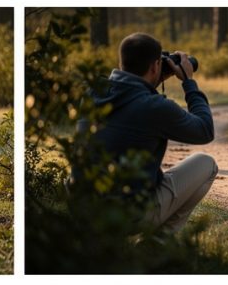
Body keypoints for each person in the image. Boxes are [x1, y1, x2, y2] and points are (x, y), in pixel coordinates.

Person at [87, 32, 217, 234]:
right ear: (155, 66)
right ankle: (156, 245)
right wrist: (189, 82)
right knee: (207, 164)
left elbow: (127, 96)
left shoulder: (93, 91)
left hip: (84, 210)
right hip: (129, 217)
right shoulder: (155, 107)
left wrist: (151, 81)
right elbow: (205, 130)